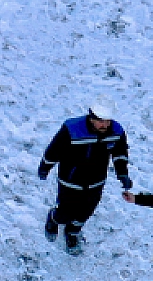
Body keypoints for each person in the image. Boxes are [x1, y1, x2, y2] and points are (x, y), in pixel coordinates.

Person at [37, 96, 132, 250]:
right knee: (65, 213)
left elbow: (120, 153)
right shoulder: (71, 129)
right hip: (70, 181)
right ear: (91, 117)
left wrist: (123, 174)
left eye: (108, 121)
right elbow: (54, 151)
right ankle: (53, 219)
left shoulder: (117, 131)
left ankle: (72, 232)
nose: (105, 125)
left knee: (85, 212)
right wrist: (45, 167)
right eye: (101, 120)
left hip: (96, 182)